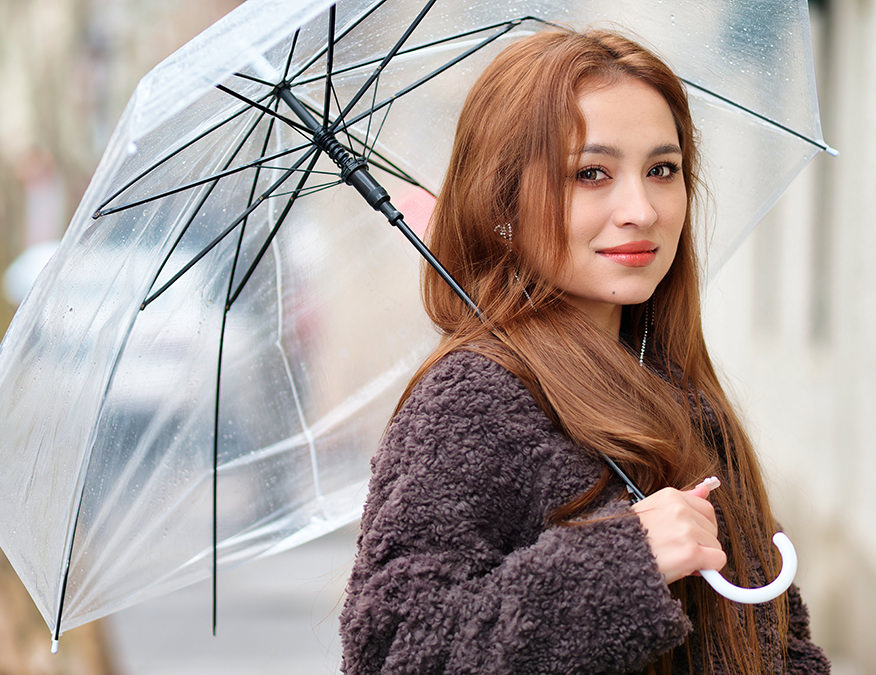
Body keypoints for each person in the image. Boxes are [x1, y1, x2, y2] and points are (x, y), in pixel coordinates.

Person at [339, 28, 830, 674]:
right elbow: (394, 652)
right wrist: (628, 562)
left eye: (663, 169)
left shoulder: (683, 394)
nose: (641, 209)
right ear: (503, 201)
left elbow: (774, 645)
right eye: (591, 173)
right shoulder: (471, 402)